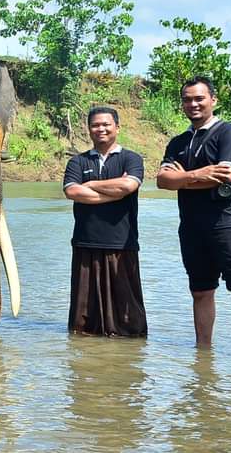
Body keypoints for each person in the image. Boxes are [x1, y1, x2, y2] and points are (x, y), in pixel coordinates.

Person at [157, 76, 231, 360]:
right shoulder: (179, 142)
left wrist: (182, 178)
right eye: (187, 99)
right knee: (201, 291)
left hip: (227, 223)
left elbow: (226, 175)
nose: (193, 104)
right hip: (191, 226)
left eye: (199, 98)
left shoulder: (229, 134)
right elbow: (163, 181)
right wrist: (198, 175)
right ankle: (203, 351)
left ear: (213, 100)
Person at [62, 107, 147, 337]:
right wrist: (114, 192)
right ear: (89, 130)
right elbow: (72, 192)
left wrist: (90, 185)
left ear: (117, 128)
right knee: (83, 321)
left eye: (106, 124)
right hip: (85, 242)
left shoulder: (131, 158)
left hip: (122, 243)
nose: (101, 129)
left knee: (128, 319)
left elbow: (129, 186)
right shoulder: (77, 162)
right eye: (95, 125)